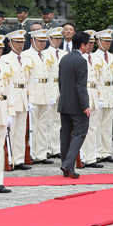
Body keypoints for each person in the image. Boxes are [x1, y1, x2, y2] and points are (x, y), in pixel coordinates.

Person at [58, 31, 92, 179]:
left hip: (65, 102)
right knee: (80, 133)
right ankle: (68, 163)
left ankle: (66, 167)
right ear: (82, 45)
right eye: (88, 44)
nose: (89, 46)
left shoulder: (64, 59)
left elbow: (61, 83)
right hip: (77, 104)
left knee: (65, 135)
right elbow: (81, 86)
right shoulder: (81, 61)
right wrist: (85, 105)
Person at [1, 30, 34, 170]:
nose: (20, 45)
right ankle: (9, 159)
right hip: (11, 96)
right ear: (10, 44)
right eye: (17, 42)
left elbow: (30, 81)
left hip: (22, 96)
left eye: (22, 42)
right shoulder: (4, 59)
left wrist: (30, 98)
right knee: (11, 130)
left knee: (21, 130)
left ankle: (19, 159)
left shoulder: (27, 59)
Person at [22, 29, 54, 165]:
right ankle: (31, 154)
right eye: (40, 41)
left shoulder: (47, 55)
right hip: (33, 94)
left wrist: (51, 94)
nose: (42, 43)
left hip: (46, 93)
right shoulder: (25, 55)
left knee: (44, 125)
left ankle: (41, 154)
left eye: (44, 41)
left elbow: (51, 76)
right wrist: (28, 96)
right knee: (32, 126)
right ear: (32, 41)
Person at [93, 29, 113, 163]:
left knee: (107, 125)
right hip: (99, 93)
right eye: (105, 41)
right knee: (97, 124)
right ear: (98, 42)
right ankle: (97, 152)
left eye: (110, 41)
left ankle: (106, 152)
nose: (108, 43)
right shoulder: (93, 57)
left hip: (110, 93)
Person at [81, 30, 103, 168]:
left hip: (94, 94)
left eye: (92, 43)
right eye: (88, 43)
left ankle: (91, 157)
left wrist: (100, 97)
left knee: (93, 128)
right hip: (84, 93)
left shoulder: (96, 58)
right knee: (82, 128)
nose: (91, 46)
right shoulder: (79, 58)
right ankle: (82, 156)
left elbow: (100, 79)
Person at [46, 27, 67, 159]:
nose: (58, 40)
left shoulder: (64, 53)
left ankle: (55, 148)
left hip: (61, 88)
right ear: (49, 39)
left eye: (60, 38)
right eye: (56, 38)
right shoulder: (45, 54)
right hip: (49, 88)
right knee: (48, 120)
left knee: (58, 121)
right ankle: (47, 148)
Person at [0, 34, 13, 192]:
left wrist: (10, 112)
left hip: (1, 110)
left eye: (1, 48)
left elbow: (10, 90)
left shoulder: (6, 66)